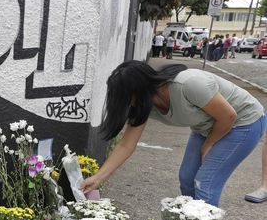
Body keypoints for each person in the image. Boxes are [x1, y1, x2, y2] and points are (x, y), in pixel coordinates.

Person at [82, 61, 266, 207]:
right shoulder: (143, 104)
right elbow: (126, 145)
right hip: (207, 126)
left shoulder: (188, 84)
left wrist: (208, 145)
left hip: (244, 122)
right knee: (187, 177)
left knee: (206, 182)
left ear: (137, 91)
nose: (126, 105)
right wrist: (98, 178)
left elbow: (228, 116)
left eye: (126, 99)